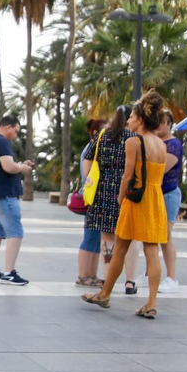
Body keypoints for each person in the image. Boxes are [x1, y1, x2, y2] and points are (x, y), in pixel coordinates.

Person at [82, 90, 169, 317]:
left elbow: (127, 177)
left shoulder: (134, 141)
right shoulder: (161, 144)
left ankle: (105, 294)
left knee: (120, 247)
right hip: (155, 198)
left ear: (140, 120)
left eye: (131, 117)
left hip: (136, 199)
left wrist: (121, 199)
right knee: (152, 251)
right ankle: (151, 303)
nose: (128, 120)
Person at [84, 105, 132, 290]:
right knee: (127, 237)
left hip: (102, 191)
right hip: (125, 191)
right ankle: (129, 279)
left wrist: (90, 177)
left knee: (106, 236)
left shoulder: (102, 135)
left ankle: (107, 279)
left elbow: (88, 157)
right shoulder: (133, 138)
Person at [0, 114, 33, 285]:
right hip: (5, 195)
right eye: (15, 131)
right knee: (15, 232)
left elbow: (6, 164)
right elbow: (9, 166)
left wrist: (19, 164)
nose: (15, 135)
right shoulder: (2, 142)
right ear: (8, 127)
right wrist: (22, 168)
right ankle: (9, 273)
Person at [75, 118, 107, 287]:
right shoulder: (91, 149)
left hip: (97, 197)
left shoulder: (96, 147)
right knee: (90, 237)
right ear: (96, 133)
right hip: (93, 197)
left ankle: (91, 275)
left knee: (95, 238)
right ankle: (83, 275)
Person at [155, 111, 184, 291]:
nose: (159, 125)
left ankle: (171, 278)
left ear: (170, 123)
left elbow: (162, 169)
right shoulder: (156, 142)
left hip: (168, 194)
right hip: (155, 194)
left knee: (165, 237)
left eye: (163, 122)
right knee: (151, 236)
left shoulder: (173, 144)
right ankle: (151, 273)